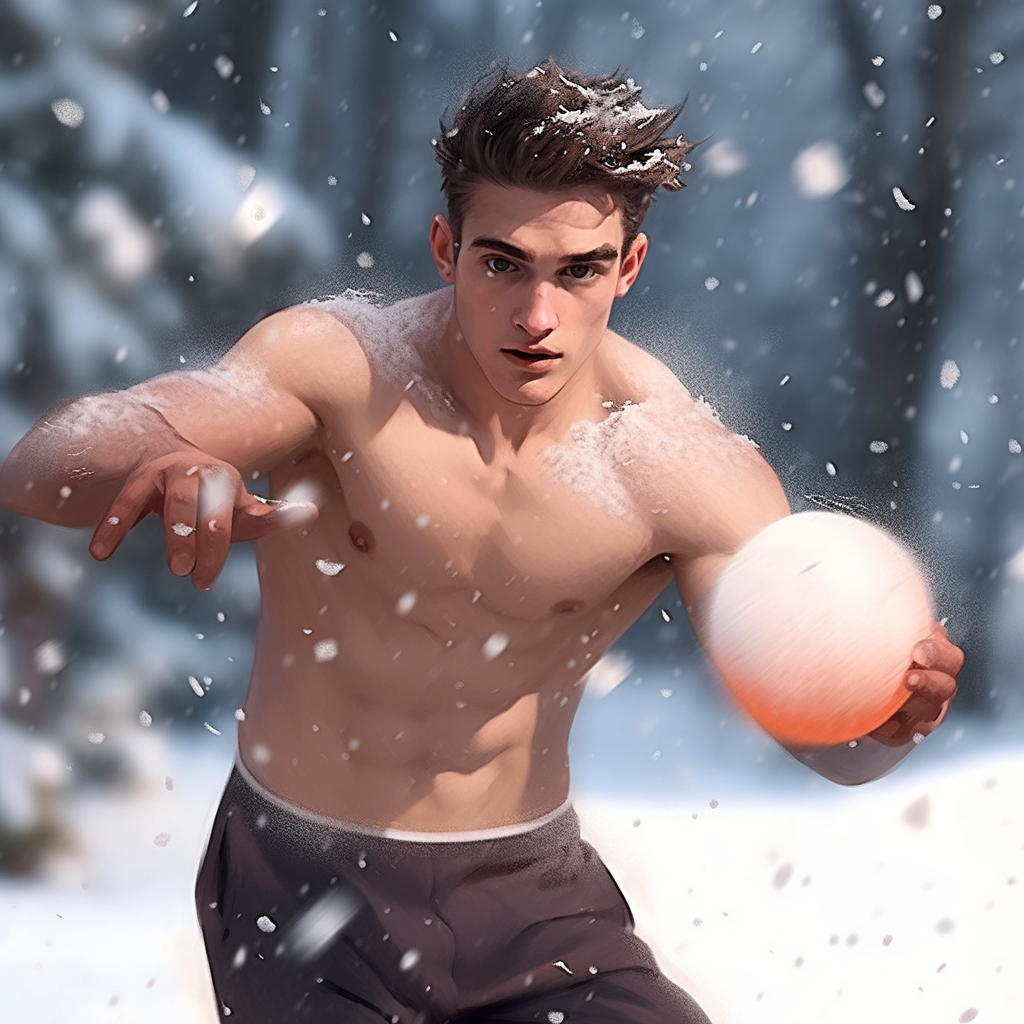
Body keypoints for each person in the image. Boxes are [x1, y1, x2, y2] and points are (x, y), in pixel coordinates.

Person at [0, 58, 963, 1024]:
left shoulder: (682, 470)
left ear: (627, 266)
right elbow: (41, 463)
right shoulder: (340, 373)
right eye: (503, 262)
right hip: (299, 882)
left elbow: (815, 729)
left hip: (532, 901)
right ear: (444, 248)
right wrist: (162, 454)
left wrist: (882, 721)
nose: (535, 317)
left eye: (578, 270)